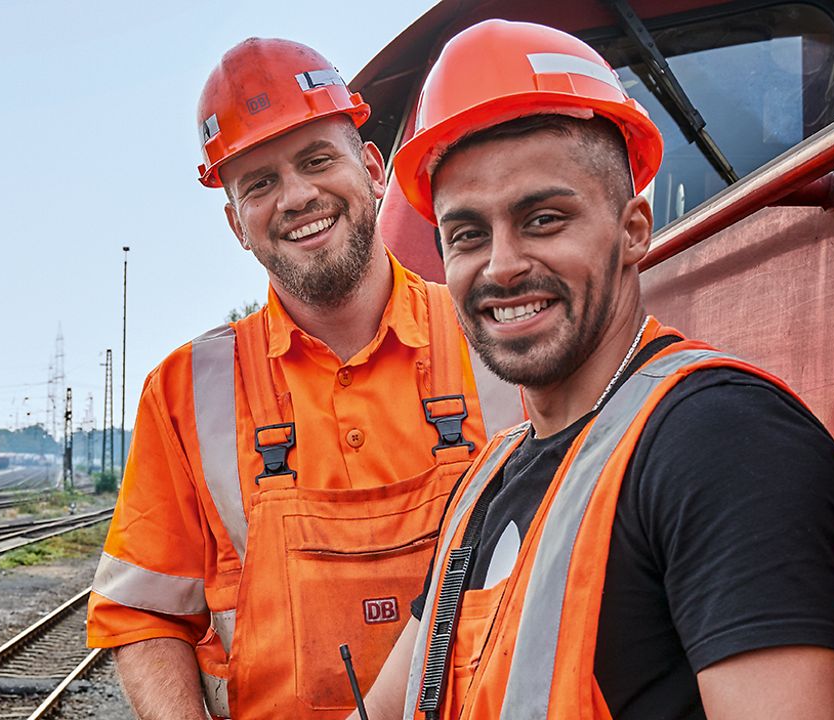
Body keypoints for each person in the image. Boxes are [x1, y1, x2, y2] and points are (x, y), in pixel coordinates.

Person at [357, 20, 834, 719]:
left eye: (543, 219)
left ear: (633, 231)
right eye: (467, 234)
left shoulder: (719, 440)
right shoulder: (487, 481)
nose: (502, 265)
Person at [86, 38, 524, 719]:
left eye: (318, 160)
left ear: (372, 169)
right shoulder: (185, 393)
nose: (296, 196)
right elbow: (142, 615)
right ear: (236, 223)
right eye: (259, 183)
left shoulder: (495, 342)